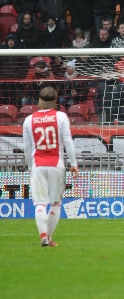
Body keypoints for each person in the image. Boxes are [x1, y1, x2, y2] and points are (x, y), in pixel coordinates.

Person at [22, 86, 78, 247]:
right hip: (57, 165)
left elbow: (27, 148)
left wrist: (30, 166)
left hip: (38, 165)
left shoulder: (28, 120)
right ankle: (50, 237)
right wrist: (73, 163)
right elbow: (68, 141)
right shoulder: (61, 117)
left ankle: (43, 236)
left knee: (40, 204)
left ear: (39, 100)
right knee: (55, 204)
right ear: (55, 101)